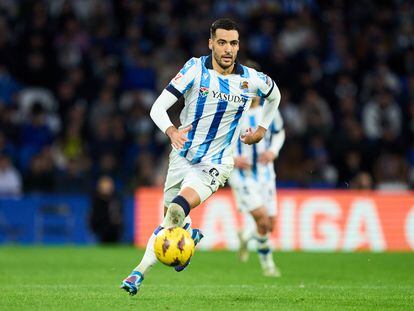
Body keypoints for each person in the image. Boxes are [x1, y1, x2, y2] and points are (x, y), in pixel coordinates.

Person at [121, 18, 281, 296]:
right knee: (171, 223)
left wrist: (262, 129)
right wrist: (171, 130)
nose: (227, 49)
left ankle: (137, 274)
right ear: (211, 44)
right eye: (221, 42)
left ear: (238, 46)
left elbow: (275, 95)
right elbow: (158, 107)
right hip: (181, 157)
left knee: (175, 210)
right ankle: (189, 238)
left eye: (233, 43)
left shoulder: (250, 80)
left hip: (216, 164)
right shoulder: (195, 69)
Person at [228, 95, 285, 277]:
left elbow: (279, 132)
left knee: (269, 225)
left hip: (266, 175)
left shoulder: (269, 111)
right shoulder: (234, 112)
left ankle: (245, 236)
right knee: (261, 218)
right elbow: (220, 140)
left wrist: (273, 151)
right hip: (243, 176)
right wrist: (232, 158)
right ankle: (268, 266)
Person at [89, 175, 123, 243]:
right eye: (104, 185)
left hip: (114, 234)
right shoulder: (96, 201)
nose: (106, 187)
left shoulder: (116, 200)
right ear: (99, 187)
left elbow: (119, 219)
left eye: (108, 185)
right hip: (99, 233)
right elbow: (93, 220)